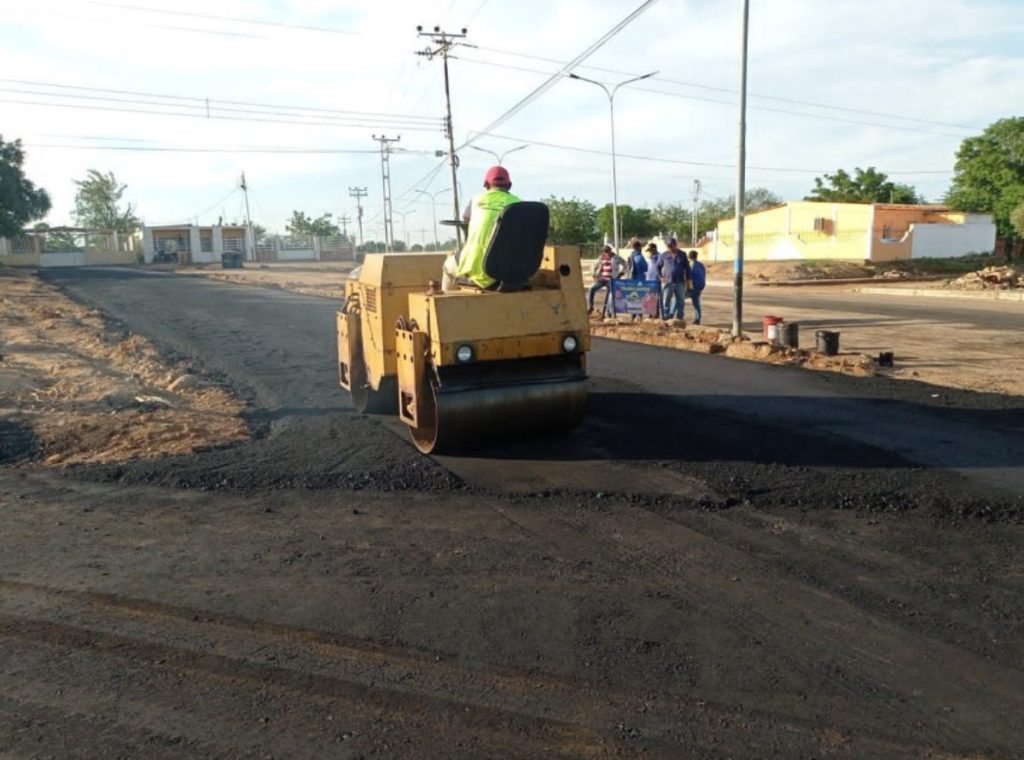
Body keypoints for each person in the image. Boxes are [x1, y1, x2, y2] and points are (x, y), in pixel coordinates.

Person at [442, 165, 520, 291]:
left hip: (479, 268)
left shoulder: (476, 200)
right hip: (510, 273)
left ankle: (449, 301)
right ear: (509, 186)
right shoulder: (519, 204)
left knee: (447, 266)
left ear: (486, 184)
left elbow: (466, 218)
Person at [659, 237, 692, 321]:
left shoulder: (682, 254)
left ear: (675, 245)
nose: (670, 248)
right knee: (666, 300)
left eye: (671, 246)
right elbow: (658, 266)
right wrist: (660, 276)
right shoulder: (664, 255)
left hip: (679, 282)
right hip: (668, 282)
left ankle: (680, 317)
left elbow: (687, 267)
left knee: (680, 300)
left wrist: (688, 278)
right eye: (668, 246)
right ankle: (666, 316)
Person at [588, 244, 624, 314]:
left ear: (610, 250)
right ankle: (591, 306)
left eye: (608, 251)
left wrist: (621, 273)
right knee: (591, 289)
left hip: (611, 279)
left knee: (610, 294)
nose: (607, 253)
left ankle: (608, 311)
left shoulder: (616, 257)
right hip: (602, 278)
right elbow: (594, 266)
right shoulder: (601, 257)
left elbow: (626, 264)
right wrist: (594, 274)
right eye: (605, 252)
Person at [687, 249, 706, 324]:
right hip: (699, 287)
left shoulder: (690, 264)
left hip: (691, 287)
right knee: (696, 304)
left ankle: (672, 315)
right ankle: (697, 319)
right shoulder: (701, 265)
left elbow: (688, 276)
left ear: (689, 257)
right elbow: (703, 275)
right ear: (696, 257)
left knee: (677, 299)